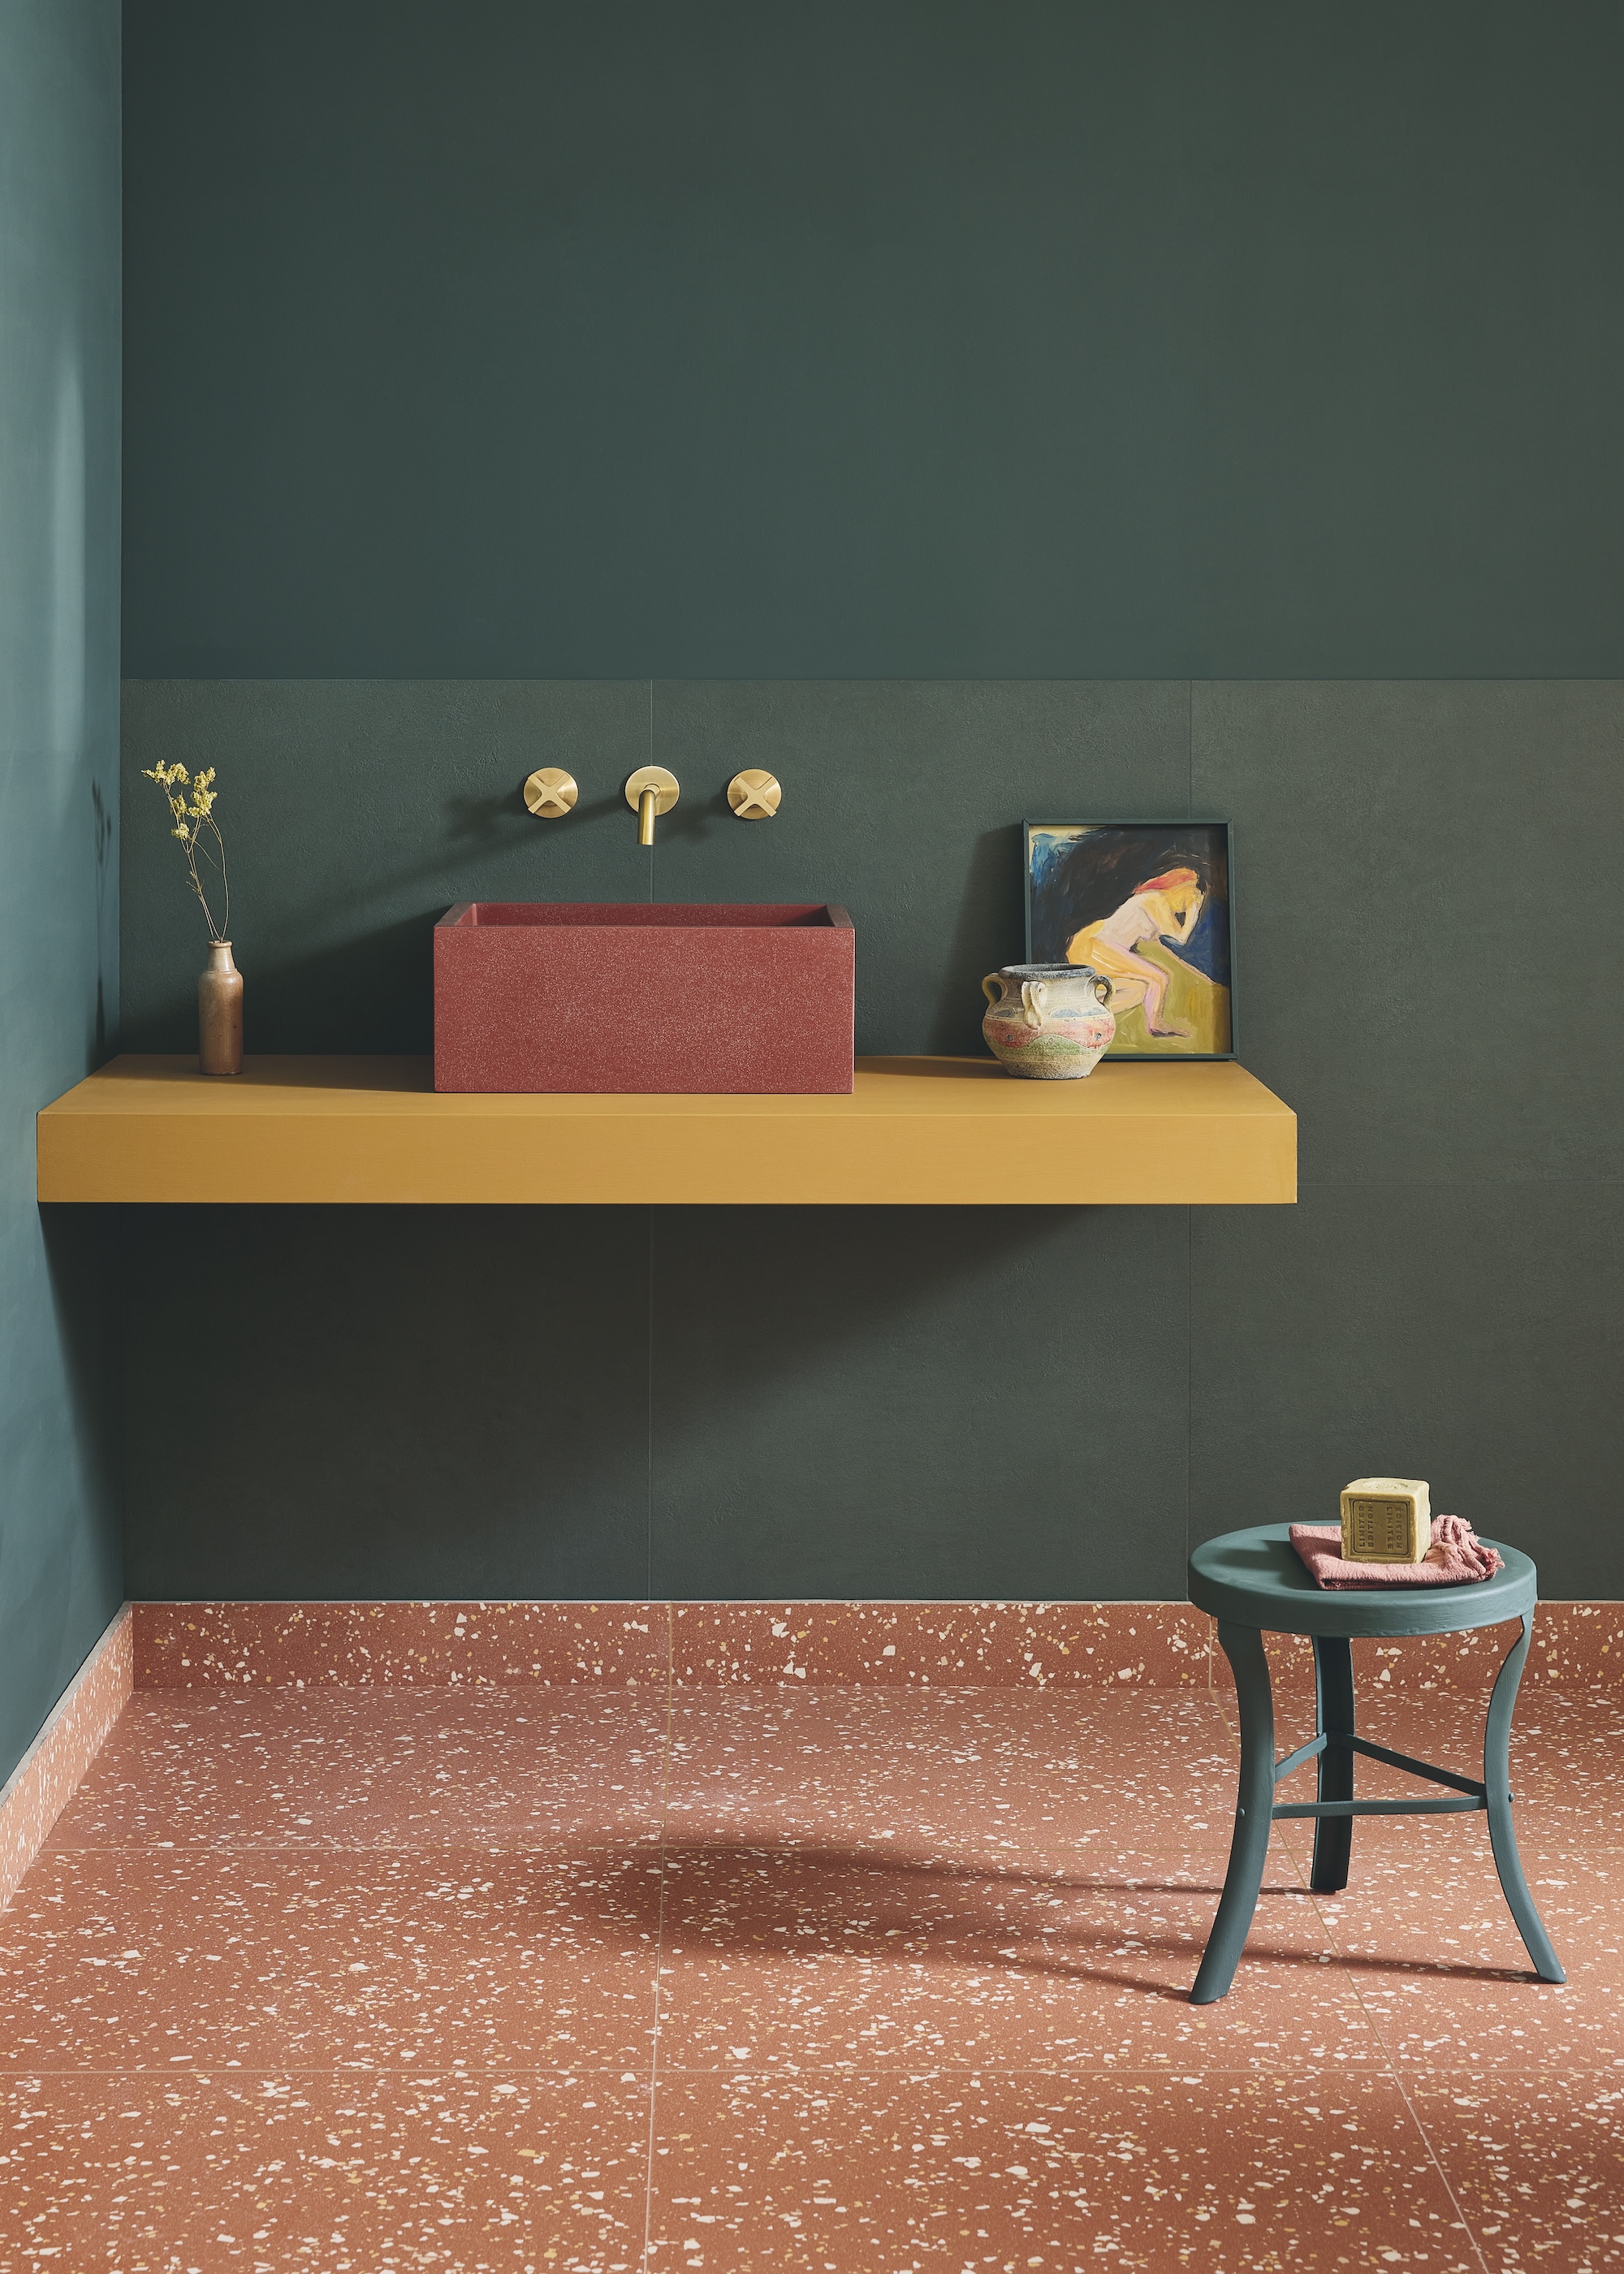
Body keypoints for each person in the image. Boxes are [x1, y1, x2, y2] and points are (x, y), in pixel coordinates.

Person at [1065, 867, 1205, 1039]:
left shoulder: (1157, 905)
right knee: (1158, 978)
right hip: (1093, 944)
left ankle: (1084, 1015)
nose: (1188, 902)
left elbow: (1159, 943)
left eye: (1194, 898)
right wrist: (1194, 911)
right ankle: (1155, 1025)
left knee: (1139, 989)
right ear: (1177, 887)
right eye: (1190, 895)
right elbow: (1180, 937)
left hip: (1100, 946)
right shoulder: (1154, 900)